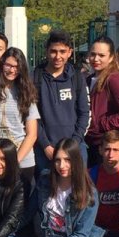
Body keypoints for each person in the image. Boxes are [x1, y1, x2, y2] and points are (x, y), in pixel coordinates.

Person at [0, 47, 40, 190]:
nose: (12, 70)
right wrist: (0, 157)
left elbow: (32, 134)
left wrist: (13, 161)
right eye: (9, 65)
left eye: (17, 67)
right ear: (1, 65)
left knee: (22, 207)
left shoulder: (27, 93)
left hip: (23, 161)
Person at [33, 30, 91, 177]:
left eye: (62, 51)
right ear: (47, 51)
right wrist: (45, 145)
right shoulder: (35, 77)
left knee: (79, 194)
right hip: (46, 150)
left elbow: (85, 113)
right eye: (53, 51)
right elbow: (32, 117)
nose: (58, 56)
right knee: (47, 193)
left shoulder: (77, 77)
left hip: (75, 147)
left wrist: (74, 143)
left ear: (69, 52)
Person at [86, 35, 119, 154]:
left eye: (101, 55)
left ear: (111, 57)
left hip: (108, 145)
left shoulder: (113, 79)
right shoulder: (89, 79)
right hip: (92, 141)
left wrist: (101, 124)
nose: (96, 59)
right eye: (93, 54)